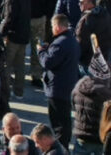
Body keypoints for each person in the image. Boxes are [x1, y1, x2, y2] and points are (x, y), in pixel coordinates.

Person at [39, 14, 80, 148]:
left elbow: (47, 62)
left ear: (57, 27)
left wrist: (41, 51)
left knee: (59, 123)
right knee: (65, 120)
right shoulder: (70, 40)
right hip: (68, 86)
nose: (51, 29)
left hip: (57, 88)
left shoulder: (59, 43)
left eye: (52, 26)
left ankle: (61, 148)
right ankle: (64, 146)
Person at [70, 38, 111, 155]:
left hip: (82, 135)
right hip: (100, 136)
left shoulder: (79, 86)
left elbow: (73, 104)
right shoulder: (108, 92)